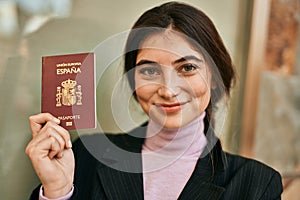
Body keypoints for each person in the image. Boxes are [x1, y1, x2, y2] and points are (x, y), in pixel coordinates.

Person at [26, 2, 283, 199]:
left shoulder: (256, 183)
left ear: (214, 77)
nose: (168, 90)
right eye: (149, 71)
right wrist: (58, 191)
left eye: (187, 68)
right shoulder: (87, 156)